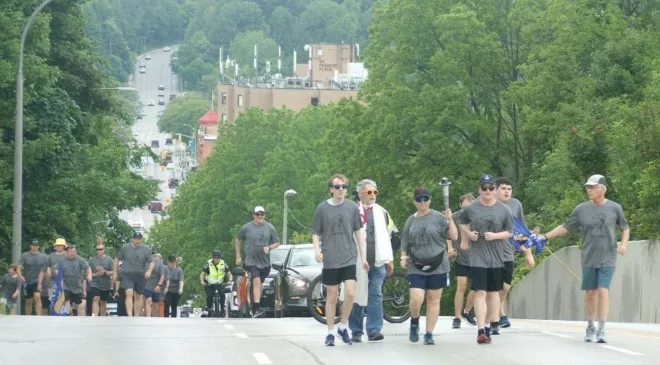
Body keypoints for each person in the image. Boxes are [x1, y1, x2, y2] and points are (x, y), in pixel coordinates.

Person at [539, 174, 629, 344]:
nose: (589, 190)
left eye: (592, 187)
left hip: (608, 256)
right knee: (590, 293)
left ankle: (602, 329)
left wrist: (623, 244)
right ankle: (590, 326)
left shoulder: (615, 208)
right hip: (588, 256)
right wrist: (545, 237)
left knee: (603, 292)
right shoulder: (581, 209)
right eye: (587, 187)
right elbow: (566, 227)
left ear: (602, 189)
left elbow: (624, 228)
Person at [311, 173, 369, 346]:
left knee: (350, 293)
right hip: (330, 257)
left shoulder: (352, 207)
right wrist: (317, 250)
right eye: (337, 187)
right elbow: (315, 231)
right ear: (331, 190)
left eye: (344, 186)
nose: (341, 190)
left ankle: (343, 327)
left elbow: (358, 232)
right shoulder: (322, 208)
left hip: (349, 256)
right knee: (332, 295)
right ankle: (330, 332)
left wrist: (363, 256)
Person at [459, 174, 513, 344]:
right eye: (484, 188)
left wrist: (495, 236)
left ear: (495, 190)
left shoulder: (504, 209)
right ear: (479, 190)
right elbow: (462, 222)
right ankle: (481, 330)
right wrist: (468, 235)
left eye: (491, 188)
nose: (488, 191)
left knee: (493, 292)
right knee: (480, 292)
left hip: (496, 257)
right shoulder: (472, 208)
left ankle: (490, 325)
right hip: (477, 257)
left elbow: (509, 232)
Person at [400, 187, 457, 345]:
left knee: (433, 299)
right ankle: (414, 322)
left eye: (425, 199)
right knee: (417, 298)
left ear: (430, 200)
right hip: (416, 264)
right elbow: (405, 241)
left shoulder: (439, 217)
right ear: (414, 202)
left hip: (438, 263)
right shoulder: (411, 220)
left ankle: (429, 333)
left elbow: (453, 236)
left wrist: (450, 219)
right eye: (419, 199)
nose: (422, 202)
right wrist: (403, 257)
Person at [349, 179, 396, 342]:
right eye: (369, 192)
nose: (373, 195)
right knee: (357, 295)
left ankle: (374, 330)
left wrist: (389, 259)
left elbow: (387, 236)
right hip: (357, 262)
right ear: (361, 194)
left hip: (378, 260)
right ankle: (356, 331)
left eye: (375, 192)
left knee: (375, 294)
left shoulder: (382, 212)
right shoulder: (352, 211)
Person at [494, 177, 536, 330]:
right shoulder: (487, 204)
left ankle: (496, 313)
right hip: (489, 252)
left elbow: (523, 230)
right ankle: (499, 315)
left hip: (508, 250)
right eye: (503, 188)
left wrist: (528, 253)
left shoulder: (515, 204)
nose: (507, 191)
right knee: (492, 286)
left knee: (505, 287)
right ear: (496, 190)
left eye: (509, 189)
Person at [234, 206, 280, 318]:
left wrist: (269, 248)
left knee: (260, 284)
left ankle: (255, 301)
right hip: (251, 260)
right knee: (256, 281)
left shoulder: (269, 227)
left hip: (264, 261)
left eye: (262, 214)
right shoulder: (247, 227)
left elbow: (277, 242)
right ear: (253, 215)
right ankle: (256, 308)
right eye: (257, 214)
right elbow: (237, 239)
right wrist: (238, 256)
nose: (260, 216)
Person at [450, 193, 477, 329]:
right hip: (461, 255)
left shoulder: (477, 216)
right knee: (461, 285)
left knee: (477, 287)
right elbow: (448, 235)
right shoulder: (454, 217)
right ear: (460, 205)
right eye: (465, 206)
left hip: (476, 256)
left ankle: (467, 311)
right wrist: (450, 248)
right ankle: (457, 317)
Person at [113, 232, 154, 317]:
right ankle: (129, 315)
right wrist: (115, 272)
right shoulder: (125, 248)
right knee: (129, 293)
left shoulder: (146, 249)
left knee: (138, 296)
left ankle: (136, 315)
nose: (137, 240)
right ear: (132, 239)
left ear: (141, 239)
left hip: (140, 275)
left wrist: (149, 271)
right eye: (135, 238)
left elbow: (152, 261)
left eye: (139, 239)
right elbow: (116, 259)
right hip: (127, 274)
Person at [17, 239, 48, 315]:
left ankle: (38, 317)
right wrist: (20, 275)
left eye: (36, 246)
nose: (34, 247)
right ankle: (28, 317)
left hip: (38, 281)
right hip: (27, 281)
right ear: (30, 246)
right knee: (28, 301)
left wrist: (46, 279)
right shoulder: (24, 255)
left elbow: (46, 270)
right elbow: (18, 267)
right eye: (33, 245)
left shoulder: (43, 257)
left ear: (38, 246)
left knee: (37, 297)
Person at [61, 245, 92, 316]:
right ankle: (68, 314)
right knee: (67, 300)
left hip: (77, 285)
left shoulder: (80, 260)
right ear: (66, 252)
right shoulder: (62, 260)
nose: (72, 253)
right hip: (66, 284)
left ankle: (74, 310)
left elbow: (88, 268)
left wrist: (89, 274)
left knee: (77, 302)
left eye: (74, 252)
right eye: (70, 252)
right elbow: (58, 271)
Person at [201, 250, 232, 317]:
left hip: (220, 284)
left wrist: (230, 280)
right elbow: (202, 274)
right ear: (213, 257)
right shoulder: (207, 264)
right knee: (209, 296)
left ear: (220, 257)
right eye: (215, 257)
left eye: (218, 257)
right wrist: (202, 281)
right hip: (210, 284)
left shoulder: (224, 264)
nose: (216, 259)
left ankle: (223, 310)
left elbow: (229, 274)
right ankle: (209, 308)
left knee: (222, 295)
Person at [88, 242, 114, 316]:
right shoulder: (92, 260)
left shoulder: (109, 260)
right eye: (97, 249)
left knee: (103, 301)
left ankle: (102, 318)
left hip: (105, 284)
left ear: (104, 250)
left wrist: (105, 272)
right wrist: (96, 274)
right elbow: (88, 274)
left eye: (101, 249)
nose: (99, 251)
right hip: (95, 284)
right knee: (96, 298)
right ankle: (95, 316)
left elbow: (113, 272)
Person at [43, 238, 68, 315]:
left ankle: (65, 315)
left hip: (64, 282)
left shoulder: (67, 255)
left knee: (64, 300)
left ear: (64, 246)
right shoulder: (51, 256)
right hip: (52, 282)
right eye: (57, 245)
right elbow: (47, 267)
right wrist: (48, 271)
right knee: (52, 299)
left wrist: (60, 272)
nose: (58, 247)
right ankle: (52, 316)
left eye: (60, 245)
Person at [143, 253, 165, 317]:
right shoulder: (145, 263)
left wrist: (159, 285)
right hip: (147, 286)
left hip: (156, 287)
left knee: (155, 304)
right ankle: (148, 317)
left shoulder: (160, 265)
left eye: (159, 257)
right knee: (148, 300)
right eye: (155, 256)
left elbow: (162, 276)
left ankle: (154, 318)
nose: (156, 258)